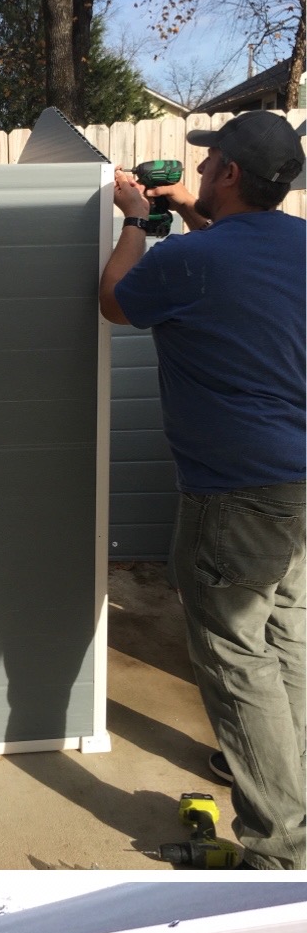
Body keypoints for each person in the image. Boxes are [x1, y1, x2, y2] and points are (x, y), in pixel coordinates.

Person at [98, 109, 307, 868]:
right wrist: (184, 207)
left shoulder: (193, 262)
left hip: (235, 495)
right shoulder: (296, 244)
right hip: (299, 490)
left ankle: (280, 849)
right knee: (287, 637)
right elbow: (236, 260)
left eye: (209, 160)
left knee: (235, 659)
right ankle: (285, 774)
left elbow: (117, 299)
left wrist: (137, 222)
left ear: (227, 172)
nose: (201, 169)